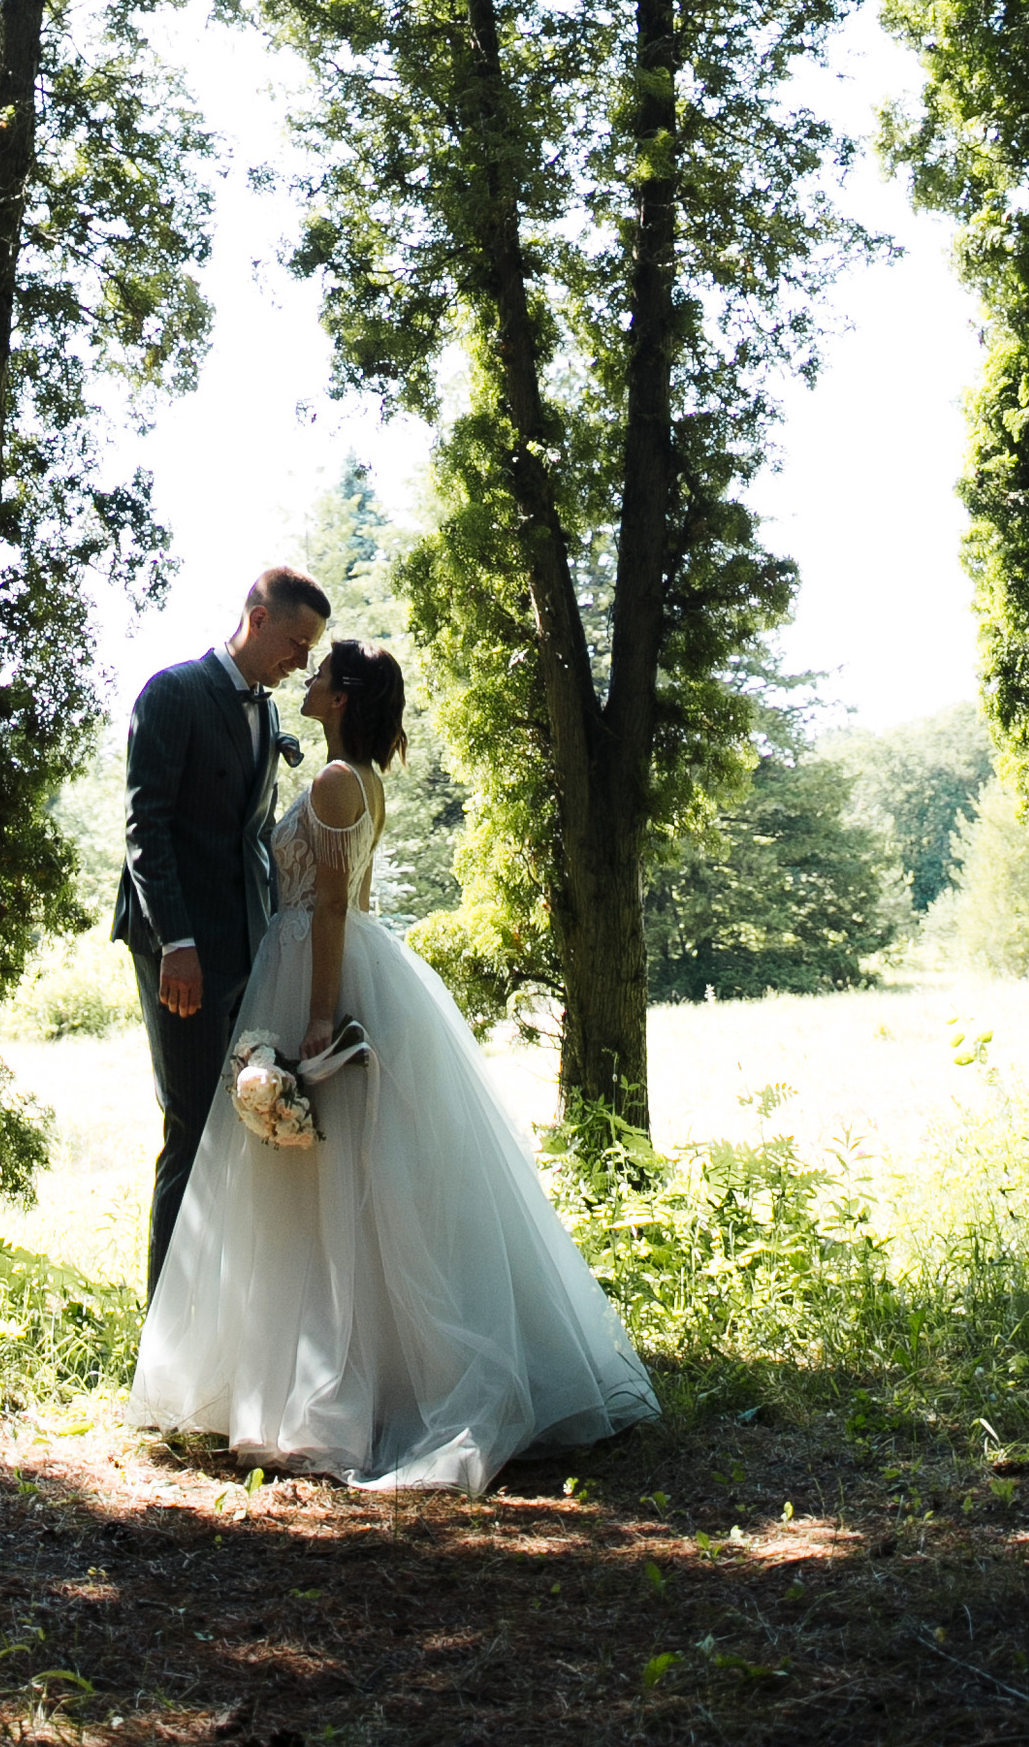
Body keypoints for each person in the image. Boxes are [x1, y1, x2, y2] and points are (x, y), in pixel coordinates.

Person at [128, 632, 660, 1493]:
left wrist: (317, 1020)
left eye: (322, 673)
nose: (307, 677)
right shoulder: (361, 779)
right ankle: (334, 1376)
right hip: (314, 959)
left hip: (316, 969)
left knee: (329, 1180)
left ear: (342, 698)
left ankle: (337, 1392)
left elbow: (337, 904)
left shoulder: (340, 781)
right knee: (334, 1183)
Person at [114, 565, 329, 1297]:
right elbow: (148, 828)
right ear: (258, 619)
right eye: (297, 643)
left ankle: (223, 1318)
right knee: (192, 1122)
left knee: (238, 1122)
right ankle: (165, 1329)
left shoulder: (268, 715)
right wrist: (177, 942)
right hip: (179, 950)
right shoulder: (172, 692)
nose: (301, 661)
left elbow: (254, 838)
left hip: (247, 947)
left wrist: (272, 938)